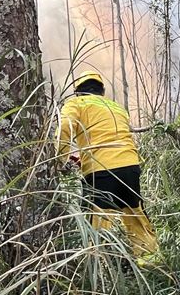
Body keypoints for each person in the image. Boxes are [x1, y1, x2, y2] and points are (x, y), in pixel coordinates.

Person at [57, 70, 158, 260]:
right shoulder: (117, 108)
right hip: (130, 167)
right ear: (102, 91)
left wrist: (59, 160)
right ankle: (151, 264)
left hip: (101, 171)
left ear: (77, 92)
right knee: (136, 217)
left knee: (98, 223)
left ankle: (99, 270)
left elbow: (64, 128)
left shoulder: (76, 103)